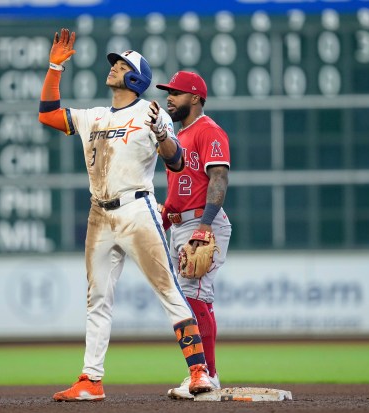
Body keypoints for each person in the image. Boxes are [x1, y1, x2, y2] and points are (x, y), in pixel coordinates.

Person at [38, 29, 214, 402]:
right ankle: (91, 380)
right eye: (115, 63)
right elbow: (48, 115)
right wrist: (55, 67)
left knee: (168, 289)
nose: (114, 68)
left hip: (136, 210)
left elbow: (178, 161)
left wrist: (161, 134)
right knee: (97, 298)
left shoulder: (150, 111)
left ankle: (199, 372)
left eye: (121, 65)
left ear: (136, 77)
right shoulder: (95, 116)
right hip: (99, 215)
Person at [154, 71, 232, 400]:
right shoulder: (178, 137)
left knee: (194, 295)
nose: (170, 98)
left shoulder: (208, 131)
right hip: (182, 223)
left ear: (196, 98)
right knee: (193, 298)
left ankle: (207, 374)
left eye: (177, 93)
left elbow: (218, 179)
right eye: (169, 92)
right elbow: (179, 191)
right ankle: (204, 372)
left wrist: (205, 225)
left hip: (203, 222)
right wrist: (166, 217)